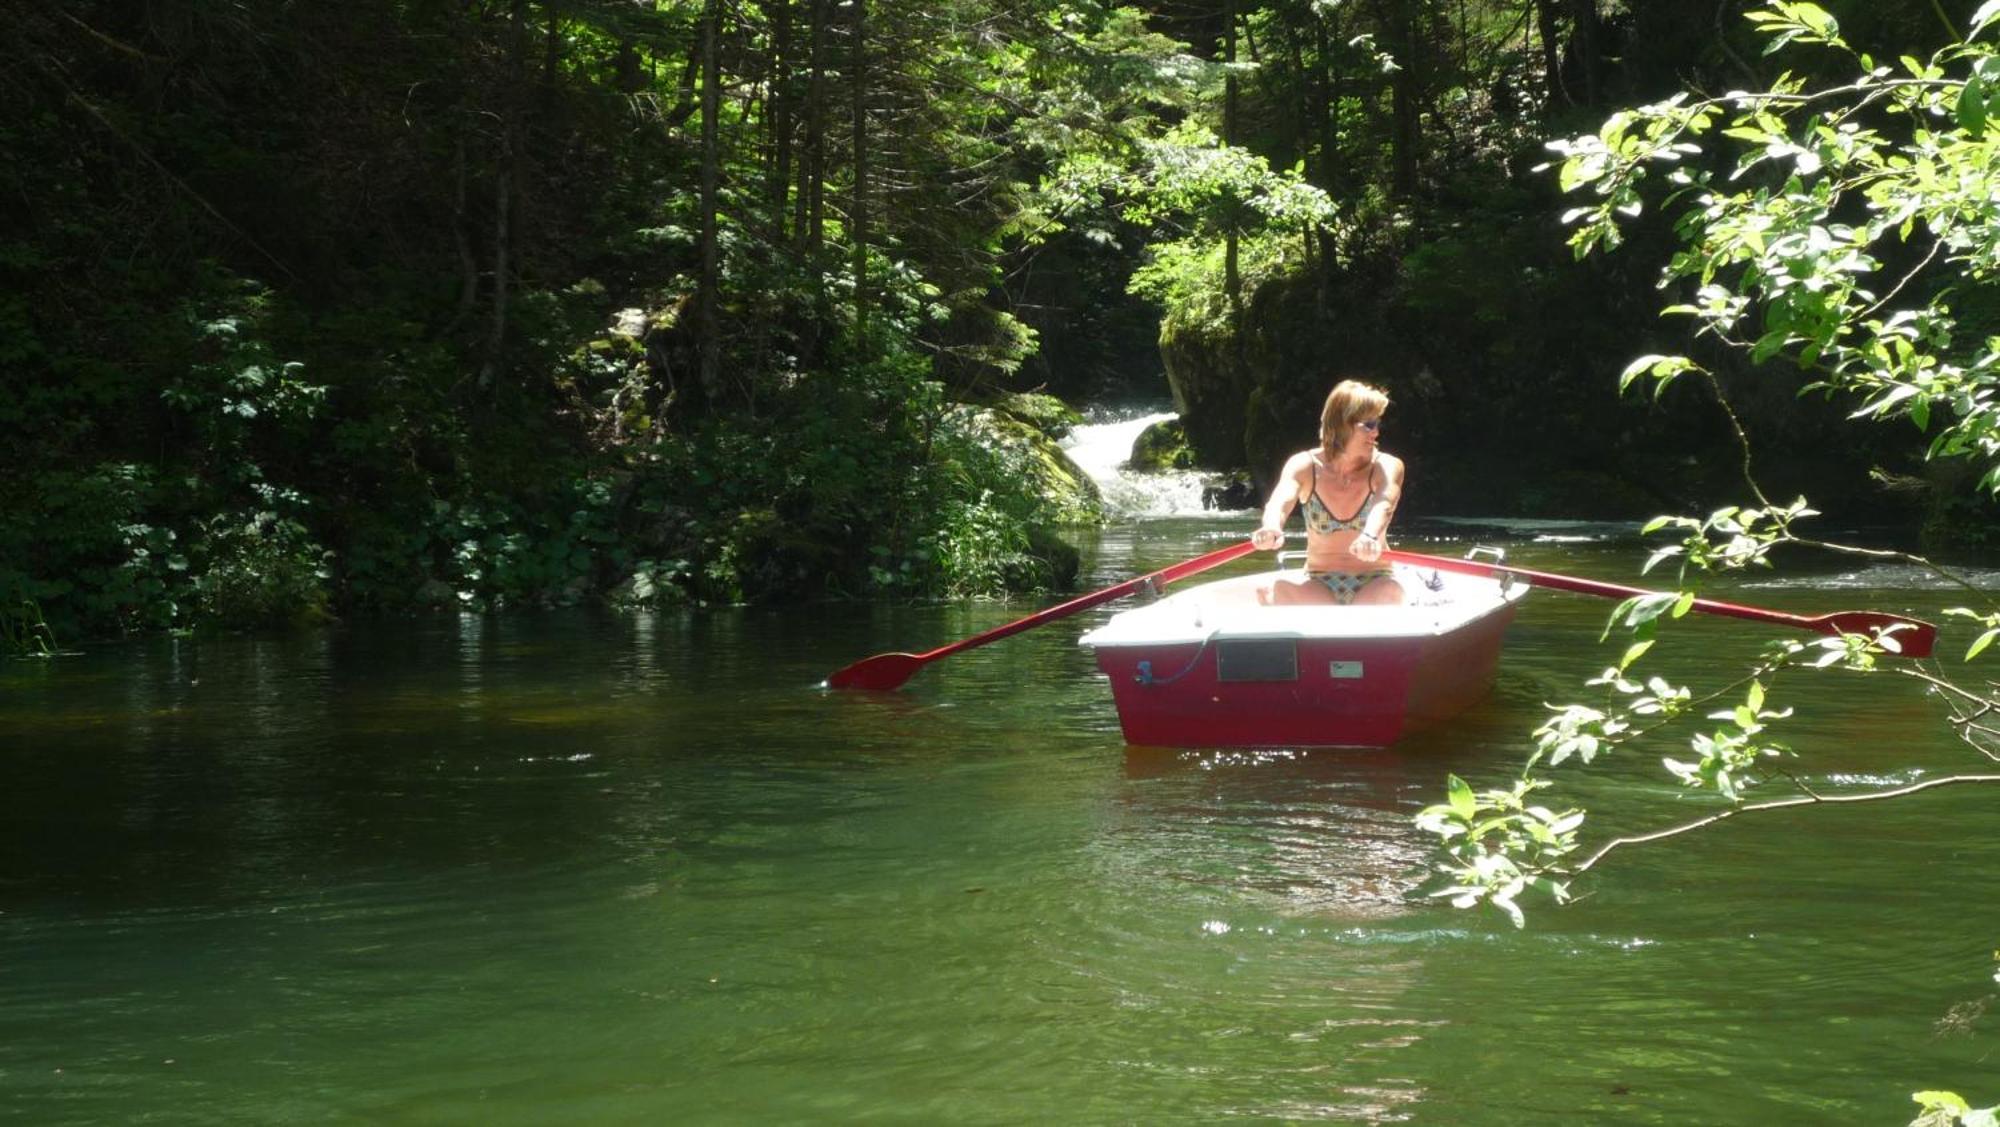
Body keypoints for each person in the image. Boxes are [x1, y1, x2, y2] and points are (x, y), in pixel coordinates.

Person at [1250, 379, 1406, 605]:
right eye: (1369, 425)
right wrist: (1271, 526)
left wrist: (1370, 536)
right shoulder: (1303, 465)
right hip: (1318, 581)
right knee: (1282, 591)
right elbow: (1279, 501)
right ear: (1342, 425)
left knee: (1390, 593)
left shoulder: (1388, 466)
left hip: (1375, 580)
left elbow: (1385, 503)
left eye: (1377, 423)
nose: (1376, 432)